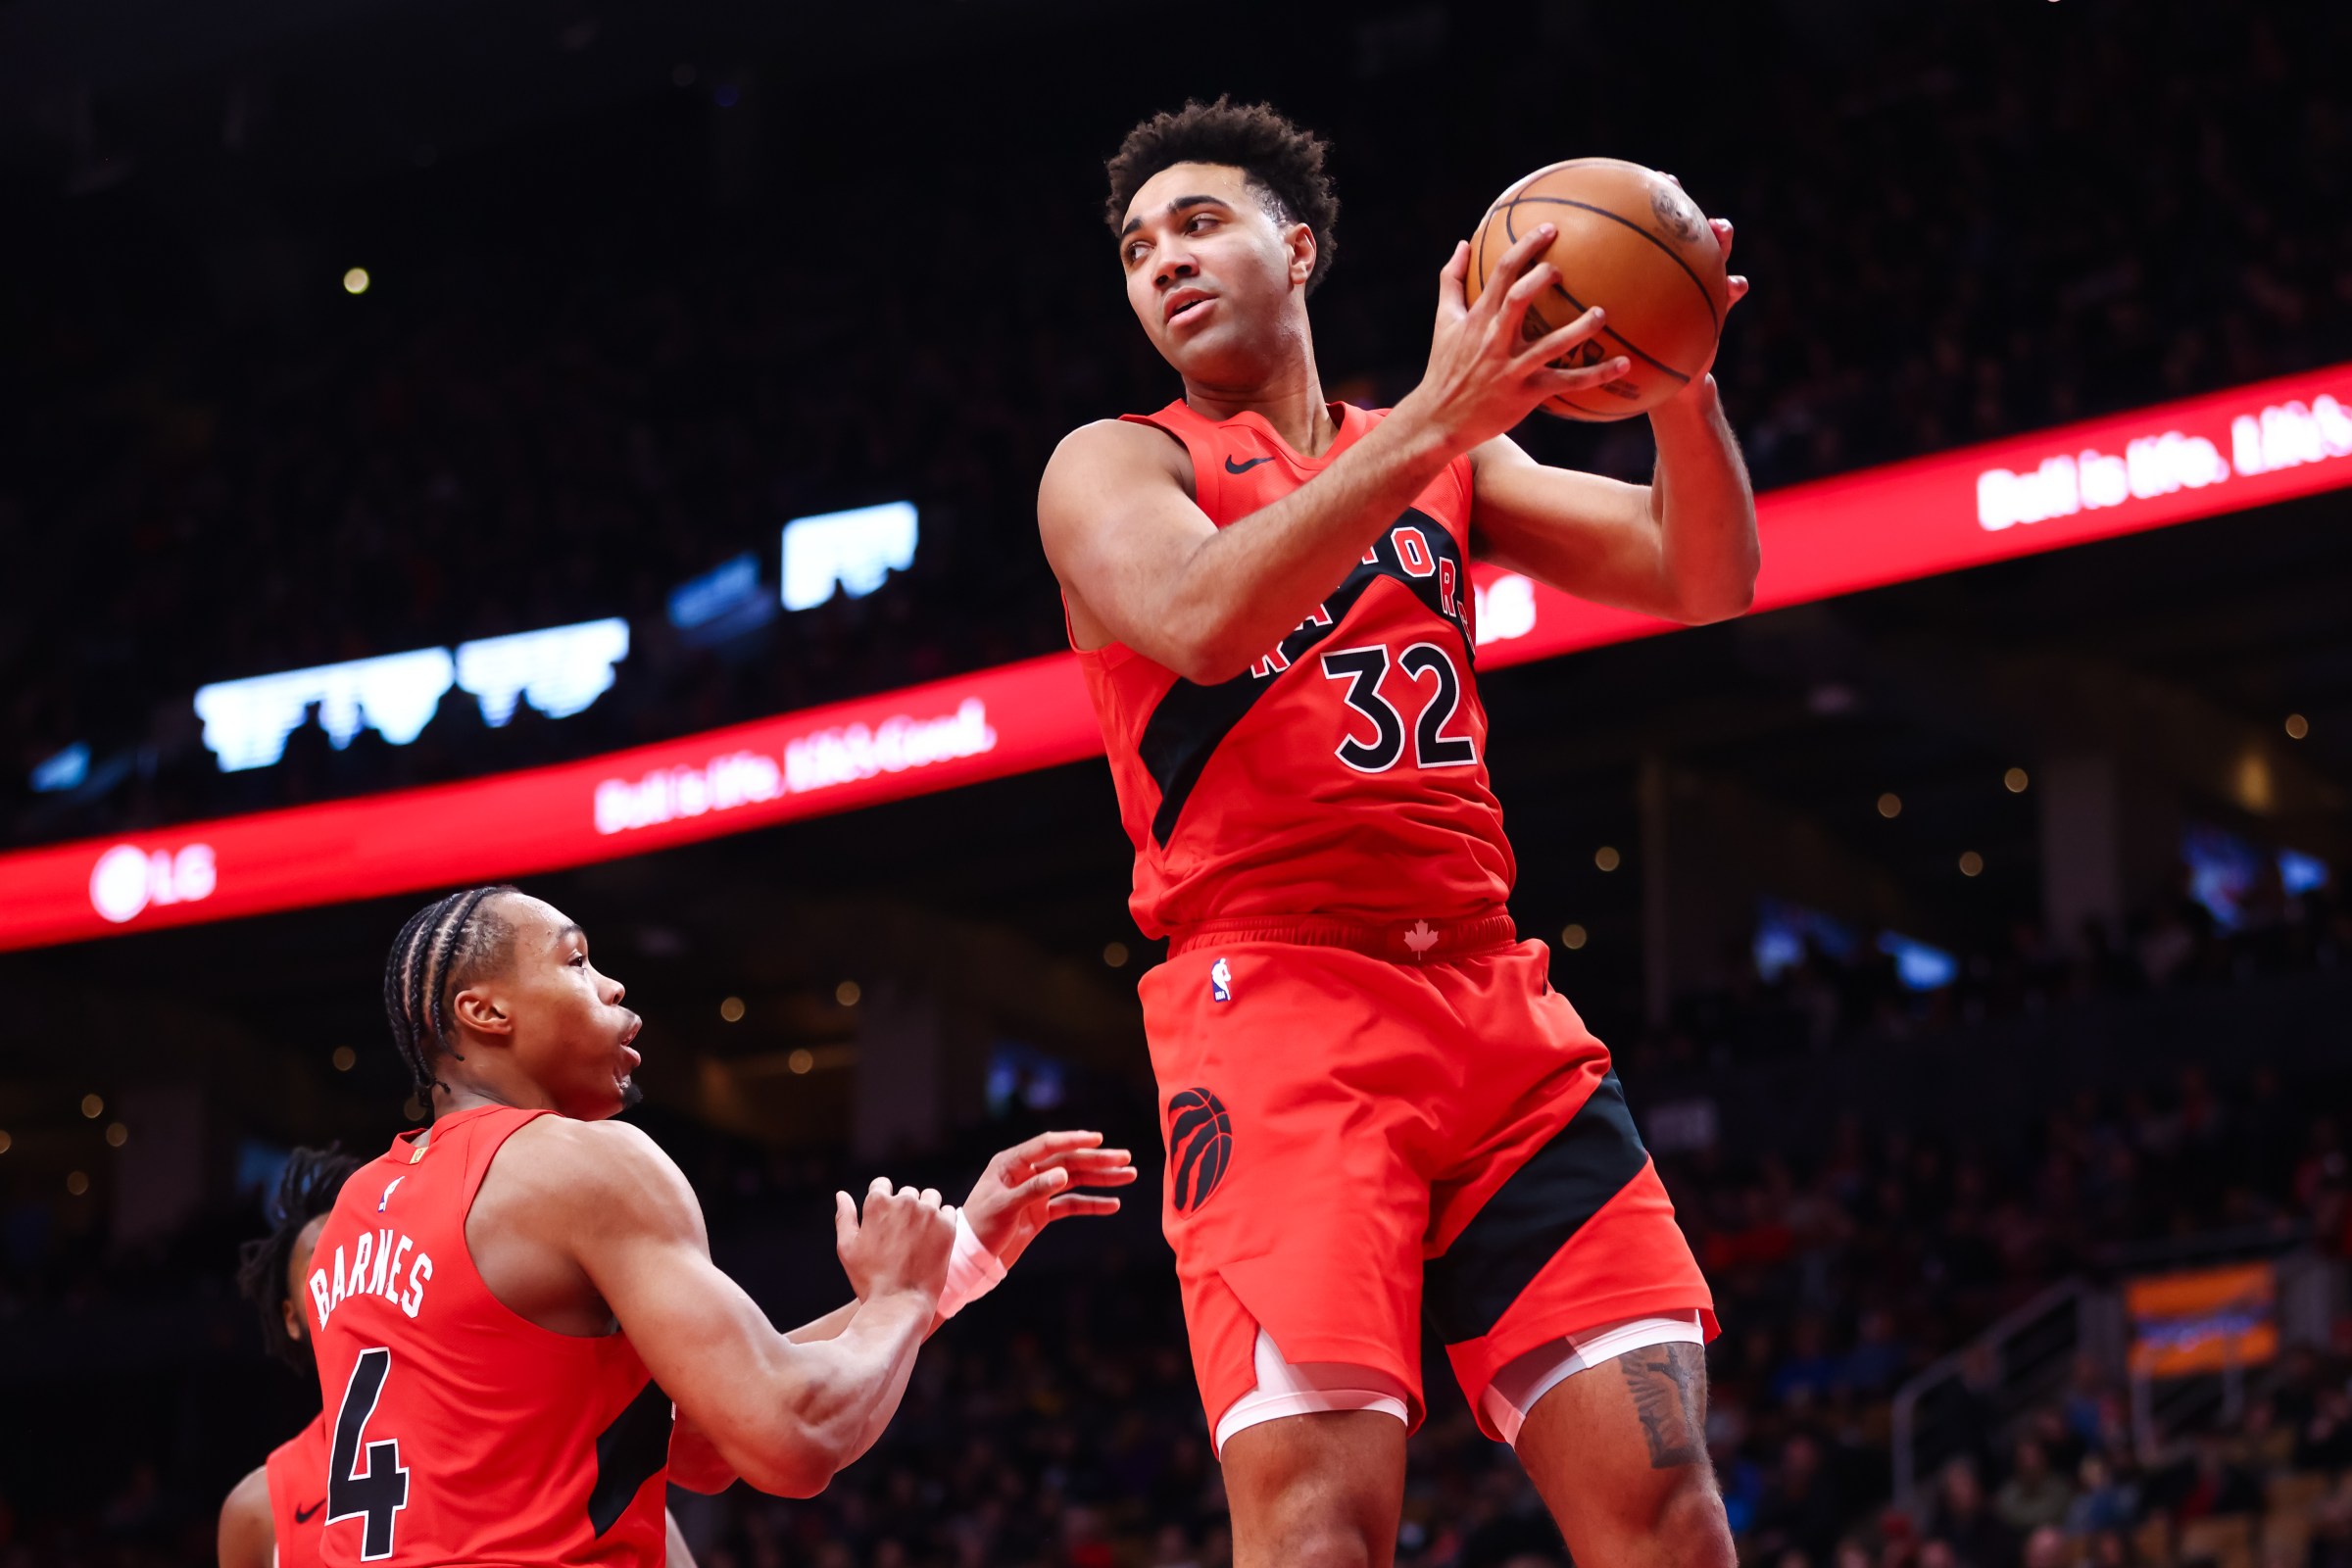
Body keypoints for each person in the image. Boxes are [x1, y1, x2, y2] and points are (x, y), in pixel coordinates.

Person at [1037, 99, 1756, 1568]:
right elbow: (1195, 616)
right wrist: (1443, 413)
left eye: (1200, 222)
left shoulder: (1445, 460)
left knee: (1673, 1518)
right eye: (1134, 247)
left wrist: (1682, 389)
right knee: (1318, 1534)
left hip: (1496, 1008)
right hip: (1277, 1010)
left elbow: (1703, 574)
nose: (1162, 260)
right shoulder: (1114, 466)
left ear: (1297, 249)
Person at [302, 884, 1134, 1565]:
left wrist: (950, 1270)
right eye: (577, 961)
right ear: (485, 1013)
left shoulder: (353, 1216)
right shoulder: (579, 1162)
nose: (613, 987)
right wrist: (899, 1299)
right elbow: (789, 1436)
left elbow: (698, 1442)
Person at [216, 1146, 705, 1568]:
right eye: (327, 1262)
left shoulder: (503, 1440)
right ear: (291, 1317)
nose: (354, 1272)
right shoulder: (256, 1510)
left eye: (366, 1250)